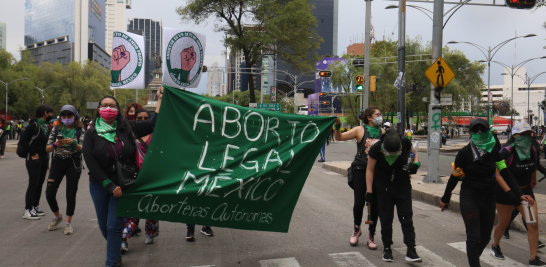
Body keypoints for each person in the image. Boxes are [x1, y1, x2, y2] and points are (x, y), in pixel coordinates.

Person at [83, 89, 163, 267]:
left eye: (112, 106)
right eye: (104, 106)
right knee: (104, 226)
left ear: (118, 110)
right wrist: (107, 184)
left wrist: (160, 100)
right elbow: (89, 160)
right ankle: (115, 249)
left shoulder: (127, 127)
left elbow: (153, 124)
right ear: (98, 109)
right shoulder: (92, 132)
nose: (108, 109)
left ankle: (111, 262)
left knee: (114, 226)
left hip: (123, 185)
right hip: (100, 184)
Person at [439, 118, 535, 267]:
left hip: (489, 197)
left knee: (484, 237)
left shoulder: (494, 153)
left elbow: (505, 173)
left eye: (482, 130)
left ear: (487, 132)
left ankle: (473, 259)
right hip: (469, 196)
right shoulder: (464, 153)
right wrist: (446, 197)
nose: (479, 132)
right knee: (473, 236)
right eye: (475, 130)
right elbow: (454, 176)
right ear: (471, 133)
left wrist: (518, 194)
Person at [490, 122, 545, 266]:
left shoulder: (533, 150)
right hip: (506, 193)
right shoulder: (506, 152)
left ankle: (533, 258)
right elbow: (498, 175)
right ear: (515, 135)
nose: (527, 137)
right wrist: (510, 192)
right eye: (523, 134)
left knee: (532, 224)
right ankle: (495, 245)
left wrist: (533, 182)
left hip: (526, 193)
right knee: (504, 222)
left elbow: (533, 166)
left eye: (529, 134)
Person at [365, 129, 422, 262]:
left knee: (406, 218)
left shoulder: (404, 142)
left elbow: (414, 153)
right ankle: (387, 248)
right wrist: (369, 192)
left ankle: (411, 250)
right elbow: (370, 169)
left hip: (403, 186)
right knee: (386, 218)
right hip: (383, 187)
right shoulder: (376, 148)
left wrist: (416, 164)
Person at [334, 107, 385, 250]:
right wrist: (337, 126)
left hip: (377, 172)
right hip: (360, 170)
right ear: (369, 117)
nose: (380, 117)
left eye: (380, 115)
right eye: (377, 114)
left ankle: (371, 235)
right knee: (359, 202)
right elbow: (339, 138)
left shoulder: (383, 133)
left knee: (375, 203)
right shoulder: (360, 130)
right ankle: (357, 229)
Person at [120, 109, 160, 253]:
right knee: (131, 210)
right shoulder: (127, 136)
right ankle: (123, 239)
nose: (142, 120)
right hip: (131, 177)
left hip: (151, 177)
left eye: (145, 118)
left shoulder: (156, 137)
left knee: (150, 207)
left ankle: (151, 233)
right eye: (139, 118)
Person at [45, 105, 84, 235]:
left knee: (70, 193)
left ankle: (68, 223)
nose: (67, 119)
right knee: (49, 192)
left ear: (75, 117)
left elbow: (82, 148)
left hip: (73, 162)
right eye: (64, 117)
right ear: (60, 117)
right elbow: (47, 148)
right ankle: (57, 216)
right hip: (57, 161)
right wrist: (56, 144)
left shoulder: (80, 130)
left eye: (70, 116)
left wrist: (72, 143)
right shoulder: (56, 129)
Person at [20, 104, 54, 220]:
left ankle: (35, 206)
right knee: (33, 183)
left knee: (39, 184)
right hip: (33, 158)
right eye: (50, 113)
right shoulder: (34, 125)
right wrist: (33, 153)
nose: (51, 115)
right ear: (45, 113)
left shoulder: (46, 126)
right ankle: (28, 210)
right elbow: (23, 141)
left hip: (44, 158)